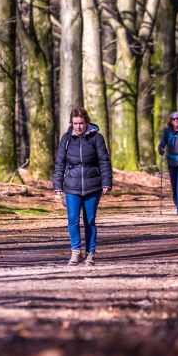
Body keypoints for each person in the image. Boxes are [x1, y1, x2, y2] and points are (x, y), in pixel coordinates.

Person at [53, 107, 113, 267]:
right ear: (71, 123)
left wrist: (107, 181)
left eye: (81, 123)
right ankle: (75, 252)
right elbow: (60, 163)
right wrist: (57, 185)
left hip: (93, 185)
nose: (78, 127)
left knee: (90, 221)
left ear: (87, 122)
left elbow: (104, 161)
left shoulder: (97, 138)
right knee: (72, 220)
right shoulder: (66, 139)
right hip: (71, 186)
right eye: (75, 123)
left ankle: (90, 254)